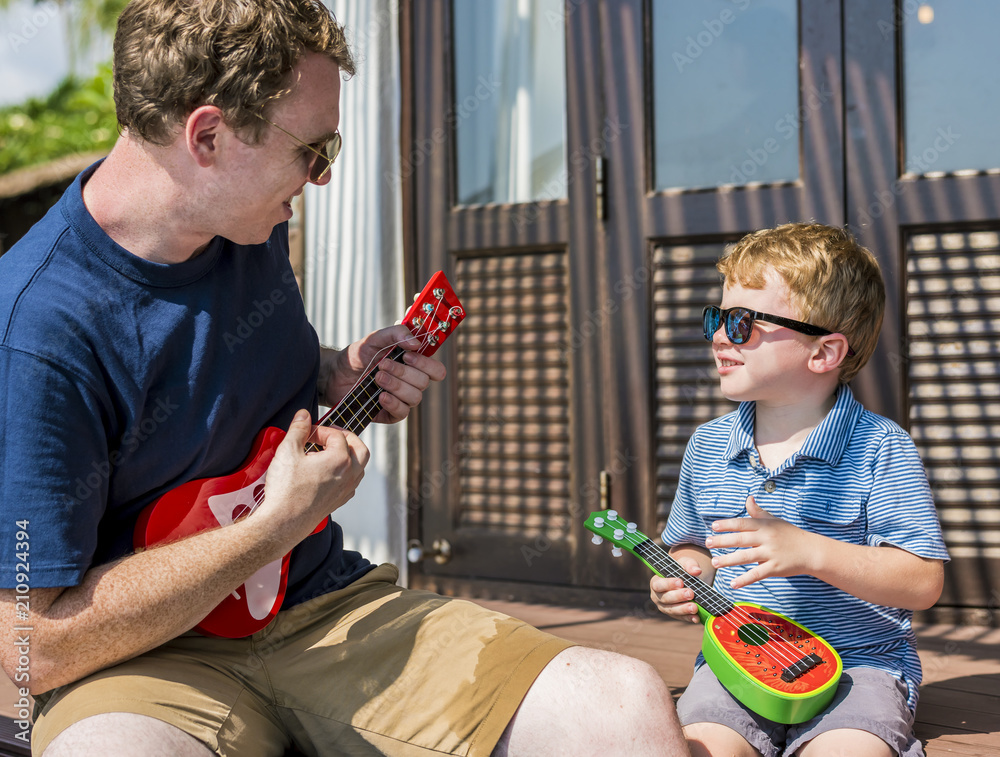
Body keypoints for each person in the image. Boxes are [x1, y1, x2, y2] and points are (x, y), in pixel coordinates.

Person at [0, 1, 690, 755]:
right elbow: (35, 646)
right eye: (313, 148)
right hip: (142, 664)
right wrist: (272, 527)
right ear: (207, 135)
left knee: (623, 706)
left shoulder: (247, 217)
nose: (322, 176)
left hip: (322, 605)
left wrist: (340, 371)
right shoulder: (36, 333)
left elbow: (217, 364)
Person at [650, 223, 949, 757]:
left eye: (742, 323)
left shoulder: (880, 448)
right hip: (739, 665)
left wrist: (810, 550)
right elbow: (692, 544)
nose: (720, 336)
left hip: (859, 668)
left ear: (824, 352)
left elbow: (922, 581)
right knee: (700, 748)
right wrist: (690, 573)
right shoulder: (710, 445)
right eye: (716, 318)